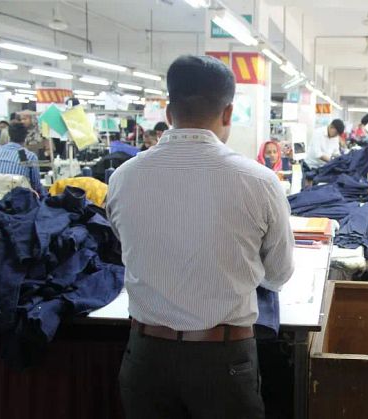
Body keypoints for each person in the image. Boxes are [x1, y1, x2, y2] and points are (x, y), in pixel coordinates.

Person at [106, 55, 294, 419]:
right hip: (222, 360)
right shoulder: (259, 182)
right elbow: (279, 275)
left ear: (168, 111)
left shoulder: (123, 178)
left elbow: (123, 246)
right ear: (228, 114)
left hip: (145, 356)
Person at [0, 122, 42, 194]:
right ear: (25, 137)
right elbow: (36, 186)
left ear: (9, 135)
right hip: (20, 202)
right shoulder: (29, 156)